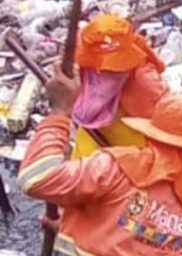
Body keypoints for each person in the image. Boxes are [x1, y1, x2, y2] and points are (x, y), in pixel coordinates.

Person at [19, 76, 182, 256]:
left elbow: (36, 177)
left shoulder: (119, 166)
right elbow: (152, 245)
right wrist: (71, 226)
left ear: (152, 134)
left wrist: (60, 113)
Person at [70, 14, 168, 159]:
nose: (107, 75)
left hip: (134, 144)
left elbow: (163, 125)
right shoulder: (86, 66)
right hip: (97, 138)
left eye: (112, 70)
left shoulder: (144, 83)